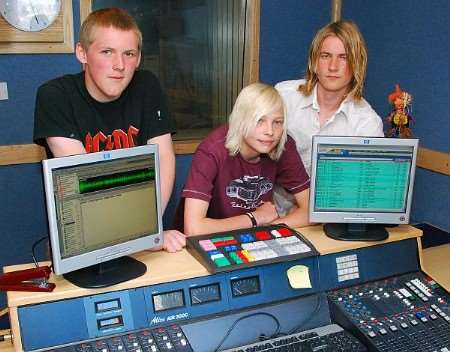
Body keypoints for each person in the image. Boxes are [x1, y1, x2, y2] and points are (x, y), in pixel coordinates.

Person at [33, 7, 185, 252]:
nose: (120, 65)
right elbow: (83, 179)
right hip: (83, 238)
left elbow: (163, 159)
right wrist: (141, 235)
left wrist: (149, 230)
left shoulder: (147, 86)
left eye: (129, 54)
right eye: (107, 52)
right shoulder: (55, 95)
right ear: (82, 53)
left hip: (141, 231)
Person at [274, 20, 384, 215]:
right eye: (326, 56)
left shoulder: (367, 123)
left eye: (343, 57)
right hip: (271, 211)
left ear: (357, 64)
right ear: (314, 62)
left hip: (329, 219)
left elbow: (364, 191)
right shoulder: (283, 96)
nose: (333, 66)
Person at [181, 83, 310, 236]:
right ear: (241, 119)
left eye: (277, 122)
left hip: (253, 235)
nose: (270, 131)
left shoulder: (282, 144)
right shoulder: (211, 151)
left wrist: (270, 227)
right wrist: (255, 218)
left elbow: (312, 211)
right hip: (207, 242)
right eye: (260, 120)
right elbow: (194, 229)